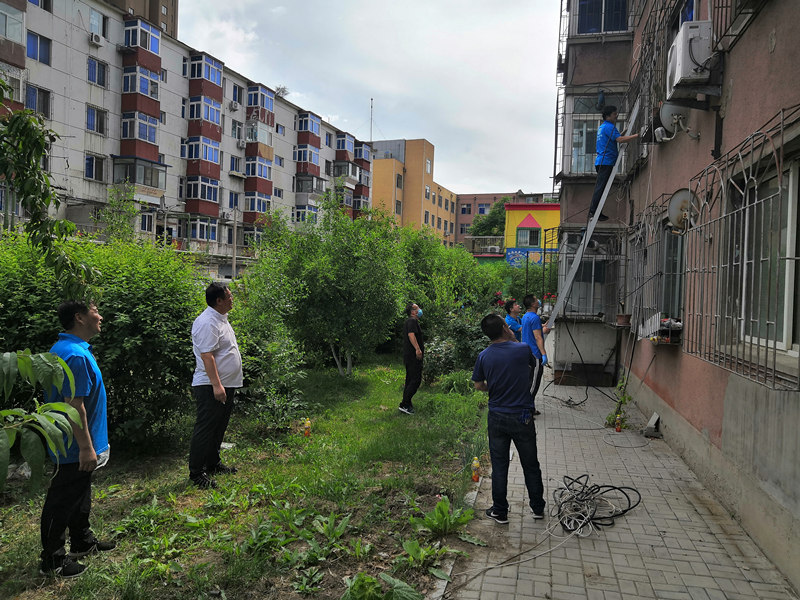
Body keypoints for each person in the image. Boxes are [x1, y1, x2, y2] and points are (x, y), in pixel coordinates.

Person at [40, 300, 115, 578]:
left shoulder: (69, 349)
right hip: (74, 444)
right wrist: (85, 447)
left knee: (79, 492)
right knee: (62, 499)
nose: (101, 317)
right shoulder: (74, 355)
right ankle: (53, 560)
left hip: (78, 442)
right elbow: (73, 405)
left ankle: (82, 541)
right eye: (95, 312)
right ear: (79, 318)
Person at [472, 314, 546, 524]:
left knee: (499, 465)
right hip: (522, 416)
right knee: (530, 464)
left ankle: (500, 511)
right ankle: (537, 508)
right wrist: (513, 338)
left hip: (496, 416)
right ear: (505, 328)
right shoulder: (522, 349)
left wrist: (494, 387)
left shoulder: (484, 356)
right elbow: (535, 366)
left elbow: (478, 385)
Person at [188, 282, 243, 489]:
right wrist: (217, 386)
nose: (232, 299)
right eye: (229, 296)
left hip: (226, 383)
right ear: (219, 300)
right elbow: (207, 356)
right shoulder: (207, 322)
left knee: (219, 426)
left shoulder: (221, 319)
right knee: (206, 427)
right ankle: (196, 473)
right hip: (210, 385)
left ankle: (212, 463)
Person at [588, 105, 640, 221]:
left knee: (601, 188)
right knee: (601, 188)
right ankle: (593, 211)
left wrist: (623, 133)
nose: (616, 116)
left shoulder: (603, 127)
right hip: (606, 161)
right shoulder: (609, 127)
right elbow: (619, 140)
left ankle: (596, 211)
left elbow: (613, 138)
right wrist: (637, 135)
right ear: (608, 116)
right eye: (614, 114)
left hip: (602, 161)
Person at [521, 295, 547, 416]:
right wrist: (543, 354)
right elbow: (538, 337)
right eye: (536, 300)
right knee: (533, 383)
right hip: (534, 354)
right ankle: (525, 410)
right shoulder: (535, 317)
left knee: (529, 381)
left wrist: (543, 327)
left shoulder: (525, 316)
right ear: (533, 304)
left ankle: (530, 408)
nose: (539, 301)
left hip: (526, 352)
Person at [399, 302, 423, 415]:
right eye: (417, 308)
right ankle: (404, 404)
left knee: (410, 380)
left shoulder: (411, 321)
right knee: (416, 380)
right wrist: (417, 349)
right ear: (413, 312)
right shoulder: (412, 321)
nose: (419, 309)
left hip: (410, 355)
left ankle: (407, 403)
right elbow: (411, 335)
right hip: (413, 356)